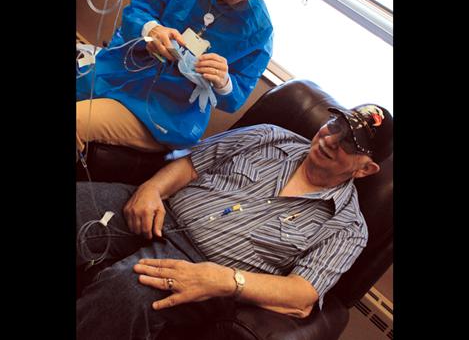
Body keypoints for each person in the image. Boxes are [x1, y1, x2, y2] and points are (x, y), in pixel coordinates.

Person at [76, 102, 393, 339]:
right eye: (335, 123)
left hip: (200, 267)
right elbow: (190, 164)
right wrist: (151, 189)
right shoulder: (268, 136)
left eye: (350, 144)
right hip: (163, 208)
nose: (330, 139)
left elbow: (302, 293)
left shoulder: (348, 229)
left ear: (365, 169)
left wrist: (225, 280)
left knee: (124, 291)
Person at [76, 0, 289, 153]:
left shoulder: (259, 31)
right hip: (119, 70)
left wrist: (224, 82)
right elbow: (136, 12)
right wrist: (151, 30)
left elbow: (234, 100)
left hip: (165, 112)